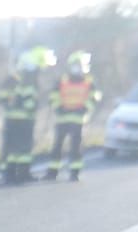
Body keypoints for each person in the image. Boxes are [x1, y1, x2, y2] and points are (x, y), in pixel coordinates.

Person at [0, 47, 53, 184]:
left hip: (11, 119)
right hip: (25, 119)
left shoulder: (13, 78)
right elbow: (29, 101)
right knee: (24, 148)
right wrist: (35, 106)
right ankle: (23, 173)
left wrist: (9, 105)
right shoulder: (30, 79)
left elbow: (1, 98)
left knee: (11, 147)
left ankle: (9, 174)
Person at [45, 51, 102, 181]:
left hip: (78, 119)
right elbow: (53, 96)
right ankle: (52, 172)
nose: (77, 68)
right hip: (62, 117)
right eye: (75, 65)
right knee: (57, 146)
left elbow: (94, 97)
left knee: (75, 147)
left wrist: (85, 108)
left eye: (79, 65)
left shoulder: (89, 81)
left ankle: (75, 172)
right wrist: (58, 108)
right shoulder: (62, 80)